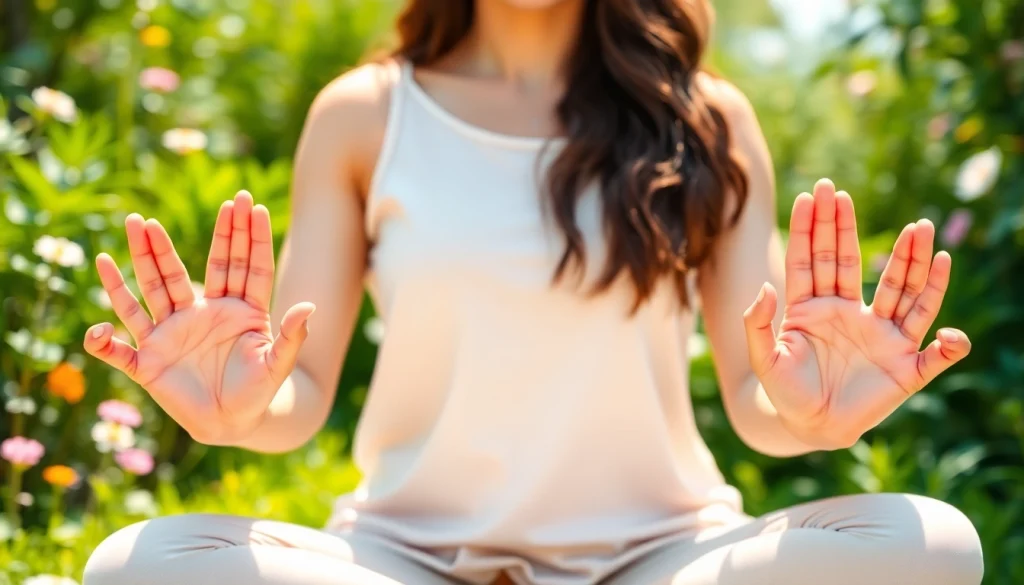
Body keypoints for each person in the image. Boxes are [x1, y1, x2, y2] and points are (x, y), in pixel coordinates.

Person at [80, 0, 984, 584]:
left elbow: (759, 402)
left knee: (934, 544)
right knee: (140, 564)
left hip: (660, 557)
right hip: (405, 559)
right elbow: (300, 390)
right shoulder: (364, 114)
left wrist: (815, 416)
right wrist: (233, 413)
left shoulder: (707, 119)